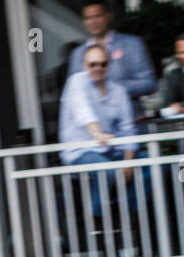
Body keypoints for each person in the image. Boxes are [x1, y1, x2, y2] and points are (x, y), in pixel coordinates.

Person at [60, 45, 141, 219]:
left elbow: (128, 129)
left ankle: (128, 209)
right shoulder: (76, 81)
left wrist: (128, 162)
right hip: (81, 151)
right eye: (93, 64)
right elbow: (83, 111)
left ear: (109, 66)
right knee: (108, 171)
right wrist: (97, 134)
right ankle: (97, 219)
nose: (98, 68)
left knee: (152, 163)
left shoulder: (118, 91)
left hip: (111, 151)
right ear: (84, 65)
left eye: (103, 64)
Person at [66, 2, 156, 102]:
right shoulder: (77, 54)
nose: (93, 22)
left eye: (98, 16)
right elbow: (73, 91)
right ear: (83, 21)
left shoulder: (133, 44)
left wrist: (112, 88)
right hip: (91, 116)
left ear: (109, 16)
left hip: (130, 113)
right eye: (88, 18)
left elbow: (149, 83)